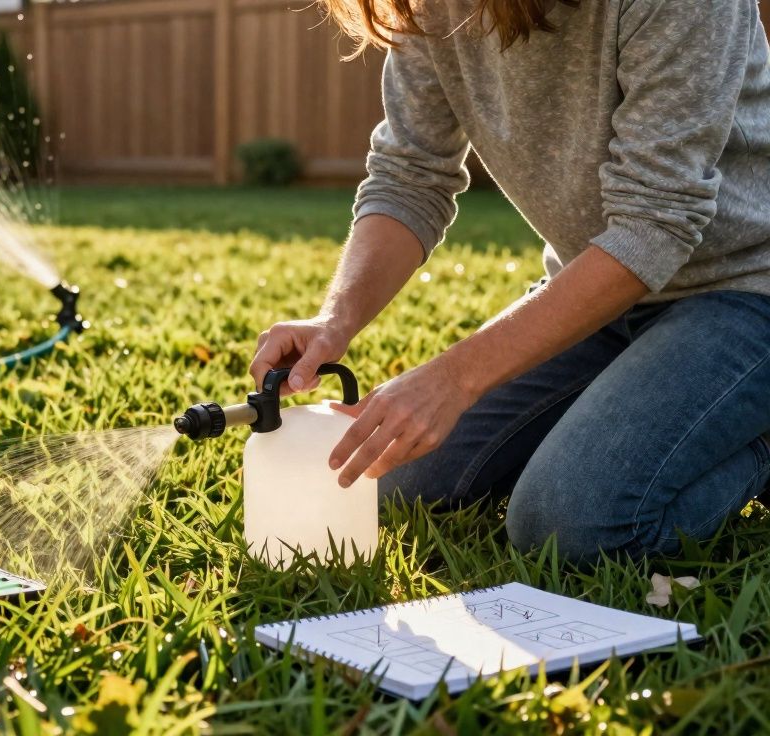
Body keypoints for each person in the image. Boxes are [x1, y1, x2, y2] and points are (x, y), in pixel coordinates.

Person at [249, 0, 770, 562]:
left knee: (569, 525)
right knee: (394, 478)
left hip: (745, 289)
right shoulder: (432, 8)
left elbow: (653, 224)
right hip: (599, 301)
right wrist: (335, 319)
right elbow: (410, 177)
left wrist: (456, 378)